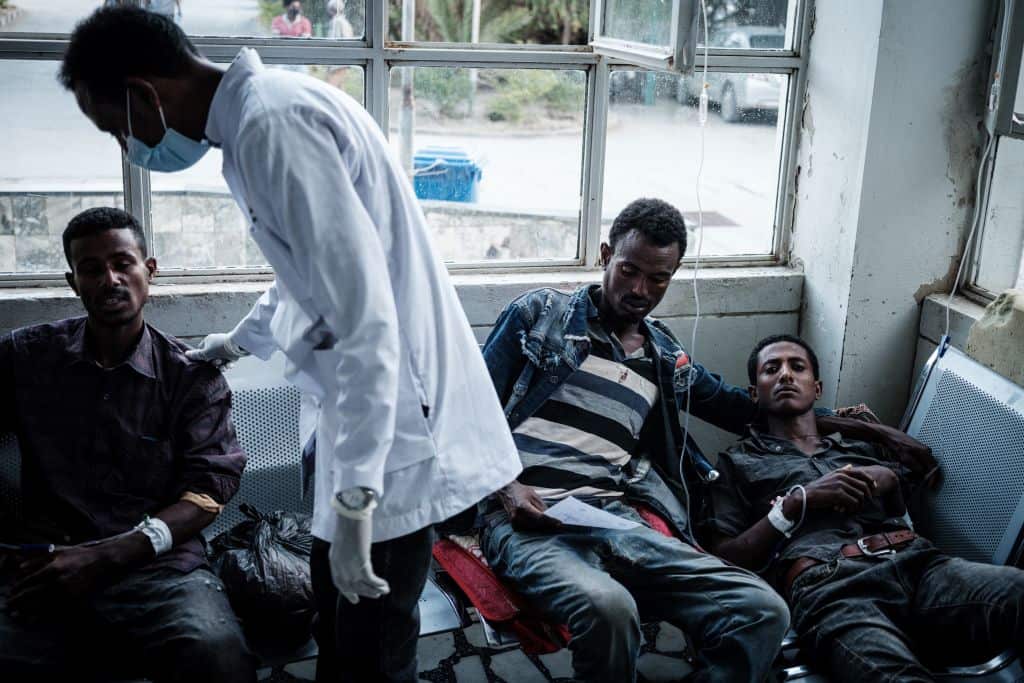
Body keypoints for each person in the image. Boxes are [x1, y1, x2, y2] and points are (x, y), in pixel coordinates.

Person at [61, 8, 522, 681]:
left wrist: (359, 507)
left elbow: (366, 321)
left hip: (394, 427)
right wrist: (235, 342)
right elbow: (307, 275)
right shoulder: (259, 122)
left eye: (115, 127)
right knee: (341, 631)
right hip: (366, 417)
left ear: (143, 95)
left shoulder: (273, 128)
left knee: (370, 652)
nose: (126, 146)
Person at [479, 198, 925, 682]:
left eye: (659, 279)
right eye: (628, 270)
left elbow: (749, 407)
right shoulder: (540, 316)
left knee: (761, 609)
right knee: (609, 607)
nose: (640, 289)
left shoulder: (665, 357)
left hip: (613, 516)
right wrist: (507, 486)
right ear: (606, 255)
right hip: (528, 516)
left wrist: (867, 429)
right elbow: (464, 412)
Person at [0, 207, 254, 682]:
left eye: (123, 263)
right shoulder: (26, 358)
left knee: (218, 654)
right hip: (48, 565)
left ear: (149, 271)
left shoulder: (190, 377)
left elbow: (210, 489)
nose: (110, 279)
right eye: (92, 269)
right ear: (73, 281)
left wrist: (109, 555)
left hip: (159, 567)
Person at [708, 334, 1024, 682]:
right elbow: (727, 557)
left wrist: (886, 474)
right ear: (755, 392)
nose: (785, 375)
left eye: (797, 367)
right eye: (772, 369)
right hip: (833, 588)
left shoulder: (863, 445)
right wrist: (795, 503)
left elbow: (917, 479)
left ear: (817, 388)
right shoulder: (737, 461)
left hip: (920, 567)